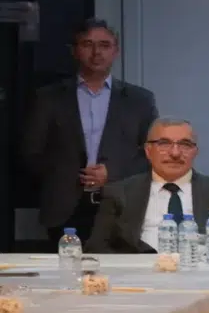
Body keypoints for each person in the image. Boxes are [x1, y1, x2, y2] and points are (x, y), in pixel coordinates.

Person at [23, 18, 159, 244]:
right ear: (74, 51)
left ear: (116, 51)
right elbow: (31, 152)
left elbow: (153, 153)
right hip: (64, 208)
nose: (97, 53)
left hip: (121, 204)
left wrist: (112, 173)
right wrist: (65, 175)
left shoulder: (140, 100)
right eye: (87, 44)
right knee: (67, 266)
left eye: (105, 45)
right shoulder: (48, 97)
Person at [85, 118, 209, 255]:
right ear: (148, 151)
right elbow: (97, 249)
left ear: (195, 152)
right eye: (164, 144)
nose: (175, 153)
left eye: (185, 144)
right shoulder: (119, 193)